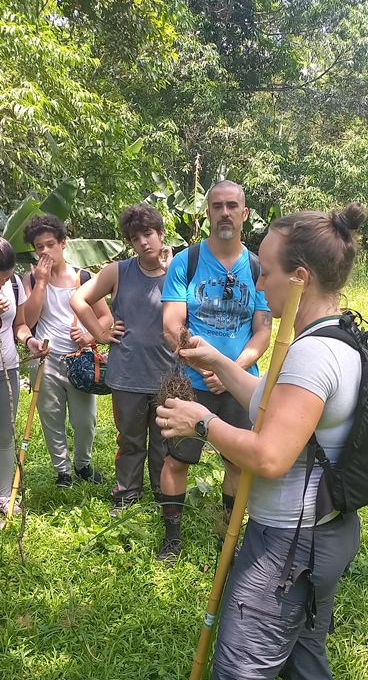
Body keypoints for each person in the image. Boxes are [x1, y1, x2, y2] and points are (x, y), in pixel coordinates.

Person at [156, 202, 367, 680]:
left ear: (299, 276)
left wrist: (200, 421)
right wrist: (219, 362)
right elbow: (280, 406)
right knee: (305, 659)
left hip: (284, 547)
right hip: (327, 538)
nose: (258, 283)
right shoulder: (338, 337)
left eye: (266, 272)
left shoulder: (309, 353)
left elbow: (271, 455)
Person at [157, 180, 272, 563]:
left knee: (238, 462)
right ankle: (172, 537)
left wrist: (229, 371)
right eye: (217, 205)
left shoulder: (258, 267)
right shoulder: (185, 261)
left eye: (232, 205)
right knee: (177, 458)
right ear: (206, 213)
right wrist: (201, 364)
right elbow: (171, 324)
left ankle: (230, 535)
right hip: (190, 383)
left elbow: (263, 330)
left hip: (240, 384)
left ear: (245, 214)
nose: (225, 212)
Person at [70, 203, 175, 514]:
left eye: (148, 234)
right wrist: (100, 334)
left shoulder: (179, 271)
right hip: (127, 373)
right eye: (135, 238)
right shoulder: (118, 271)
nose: (143, 242)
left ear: (161, 234)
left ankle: (162, 496)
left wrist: (171, 273)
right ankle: (127, 495)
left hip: (169, 374)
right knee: (129, 440)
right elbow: (80, 300)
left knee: (163, 442)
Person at [22, 214, 112, 486]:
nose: (45, 251)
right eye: (40, 247)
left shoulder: (84, 277)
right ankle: (63, 471)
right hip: (44, 360)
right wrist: (40, 282)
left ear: (63, 243)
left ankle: (83, 464)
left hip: (80, 360)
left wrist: (87, 336)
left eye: (50, 244)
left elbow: (106, 318)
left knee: (85, 420)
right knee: (51, 418)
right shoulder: (30, 278)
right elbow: (28, 319)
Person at [0, 238, 49, 519]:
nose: (2, 284)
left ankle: (4, 495)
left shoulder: (15, 283)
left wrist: (30, 341)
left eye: (5, 279)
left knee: (5, 434)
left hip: (6, 369)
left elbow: (19, 325)